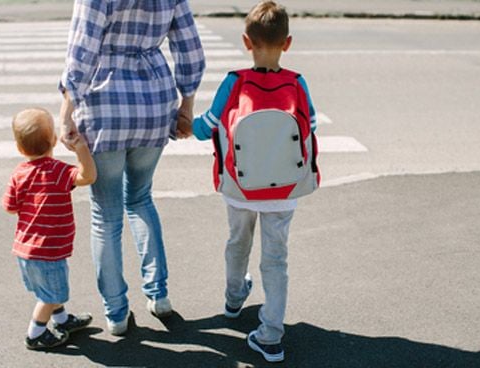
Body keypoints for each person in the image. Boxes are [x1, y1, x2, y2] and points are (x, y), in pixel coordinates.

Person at [58, 0, 205, 335]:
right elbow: (189, 48)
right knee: (140, 198)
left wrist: (66, 112)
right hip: (154, 105)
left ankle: (116, 313)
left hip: (104, 106)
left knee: (105, 214)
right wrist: (187, 106)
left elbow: (82, 49)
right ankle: (159, 295)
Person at [192, 1, 317, 363]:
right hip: (283, 191)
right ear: (288, 43)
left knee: (237, 242)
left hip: (240, 186)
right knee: (276, 261)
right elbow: (310, 129)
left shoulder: (235, 82)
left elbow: (209, 126)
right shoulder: (296, 83)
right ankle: (271, 336)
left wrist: (185, 126)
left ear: (247, 42)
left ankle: (233, 300)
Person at [3, 107, 97, 350]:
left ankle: (62, 320)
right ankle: (35, 335)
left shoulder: (19, 174)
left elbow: (10, 207)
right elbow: (88, 177)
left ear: (19, 148)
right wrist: (82, 149)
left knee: (49, 289)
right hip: (48, 251)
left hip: (26, 250)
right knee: (51, 296)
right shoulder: (58, 172)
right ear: (54, 140)